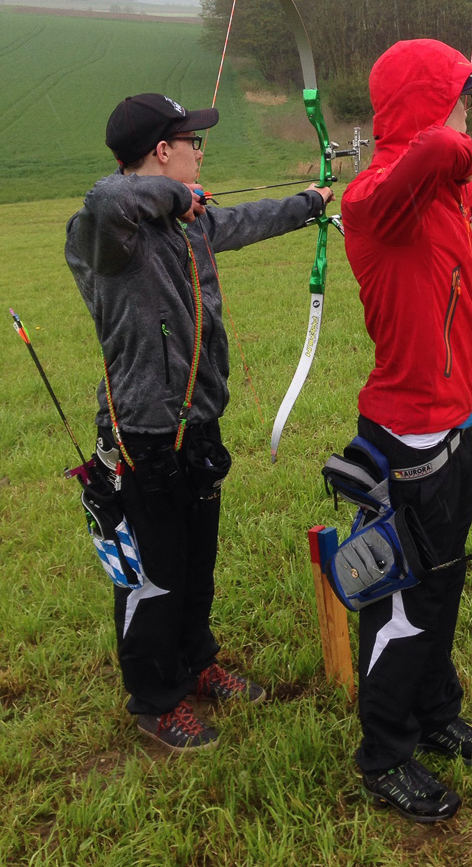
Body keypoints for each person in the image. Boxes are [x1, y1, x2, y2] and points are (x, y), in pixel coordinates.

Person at [65, 93, 334, 752]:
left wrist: (310, 203)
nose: (200, 153)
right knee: (153, 573)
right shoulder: (109, 233)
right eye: (193, 143)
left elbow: (241, 221)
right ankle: (156, 699)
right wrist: (175, 196)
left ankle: (194, 661)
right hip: (142, 431)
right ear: (162, 151)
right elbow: (106, 198)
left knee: (194, 560)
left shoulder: (183, 223)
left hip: (196, 423)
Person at [341, 39, 472, 822]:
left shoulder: (432, 193)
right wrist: (450, 137)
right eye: (460, 95)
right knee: (402, 603)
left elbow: (471, 184)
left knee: (443, 584)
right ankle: (385, 754)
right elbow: (439, 155)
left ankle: (433, 711)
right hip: (405, 438)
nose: (469, 109)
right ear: (429, 106)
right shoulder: (377, 197)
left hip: (452, 424)